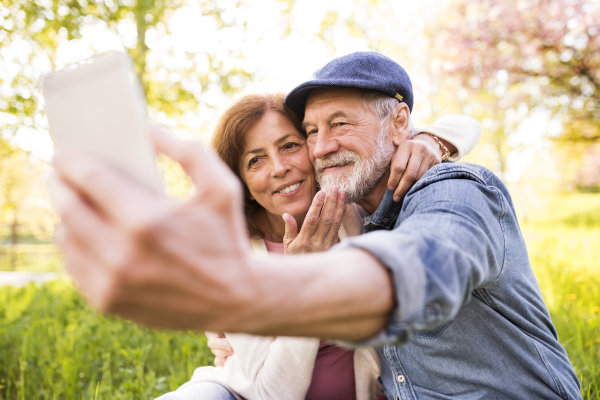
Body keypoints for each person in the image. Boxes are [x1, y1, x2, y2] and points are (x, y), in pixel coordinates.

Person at [51, 51, 581, 399]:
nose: (318, 147)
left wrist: (258, 291)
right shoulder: (356, 212)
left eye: (336, 126)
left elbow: (426, 264)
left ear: (400, 124)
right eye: (312, 131)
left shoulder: (447, 191)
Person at [157, 91, 481, 400]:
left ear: (315, 146)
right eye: (256, 160)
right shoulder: (232, 256)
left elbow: (466, 125)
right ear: (239, 179)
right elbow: (274, 394)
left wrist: (429, 139)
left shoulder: (350, 211)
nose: (279, 167)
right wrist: (302, 280)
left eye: (289, 145)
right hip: (240, 392)